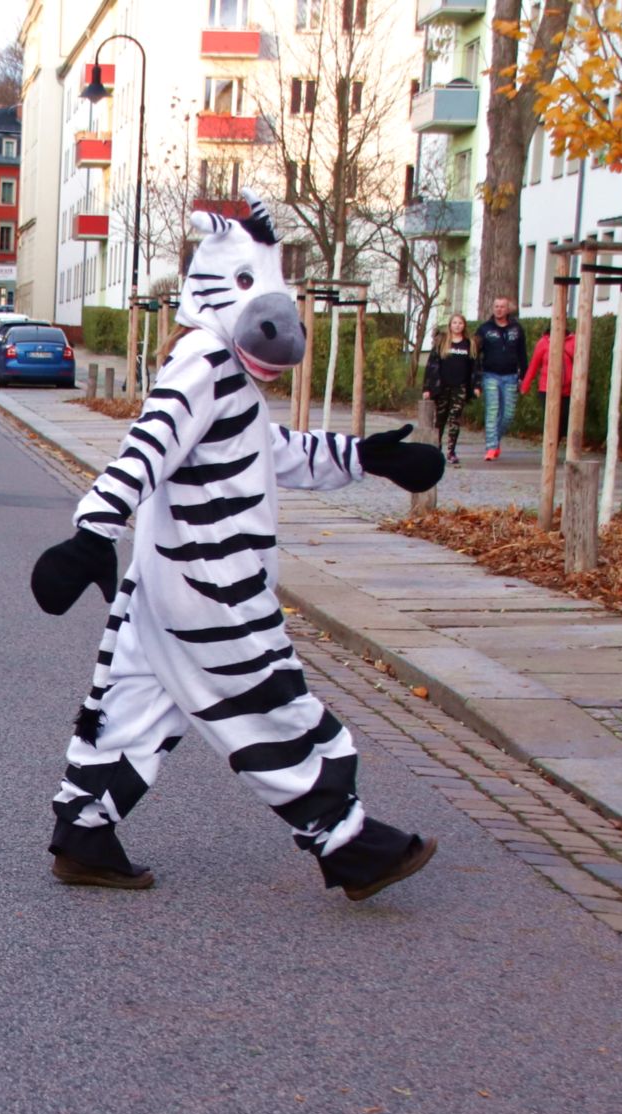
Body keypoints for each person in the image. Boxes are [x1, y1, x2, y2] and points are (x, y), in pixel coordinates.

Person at [28, 191, 442, 901]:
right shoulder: (205, 363)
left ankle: (84, 831)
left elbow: (269, 450)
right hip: (212, 588)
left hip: (169, 586)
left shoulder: (226, 371)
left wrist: (362, 457)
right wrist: (93, 528)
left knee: (131, 704)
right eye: (251, 284)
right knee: (267, 702)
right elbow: (147, 448)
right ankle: (345, 841)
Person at [474, 296, 527, 461]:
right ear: (492, 308)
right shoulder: (484, 329)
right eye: (496, 306)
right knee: (492, 411)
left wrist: (524, 376)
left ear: (508, 309)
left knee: (508, 414)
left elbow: (522, 354)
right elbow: (475, 354)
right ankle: (491, 447)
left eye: (502, 306)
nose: (499, 309)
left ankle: (495, 439)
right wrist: (476, 378)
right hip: (490, 375)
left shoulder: (516, 329)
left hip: (511, 376)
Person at [422, 313, 477, 466]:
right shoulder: (442, 343)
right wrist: (427, 388)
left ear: (464, 325)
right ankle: (436, 449)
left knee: (455, 419)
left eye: (460, 323)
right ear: (450, 325)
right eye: (454, 323)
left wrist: (476, 386)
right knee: (440, 420)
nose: (457, 325)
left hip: (460, 387)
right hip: (442, 387)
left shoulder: (468, 344)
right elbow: (431, 366)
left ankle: (451, 451)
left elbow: (475, 367)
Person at [521, 326, 578, 443]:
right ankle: (551, 448)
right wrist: (525, 386)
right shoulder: (543, 343)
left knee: (565, 420)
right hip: (547, 389)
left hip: (568, 390)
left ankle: (556, 443)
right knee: (552, 420)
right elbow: (534, 365)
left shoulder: (574, 341)